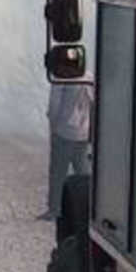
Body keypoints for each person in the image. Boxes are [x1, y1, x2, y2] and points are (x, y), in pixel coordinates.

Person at [43, 78, 94, 220]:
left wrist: (53, 126)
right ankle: (87, 210)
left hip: (63, 132)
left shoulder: (61, 77)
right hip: (83, 133)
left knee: (58, 173)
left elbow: (54, 105)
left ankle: (55, 209)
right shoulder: (89, 77)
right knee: (83, 173)